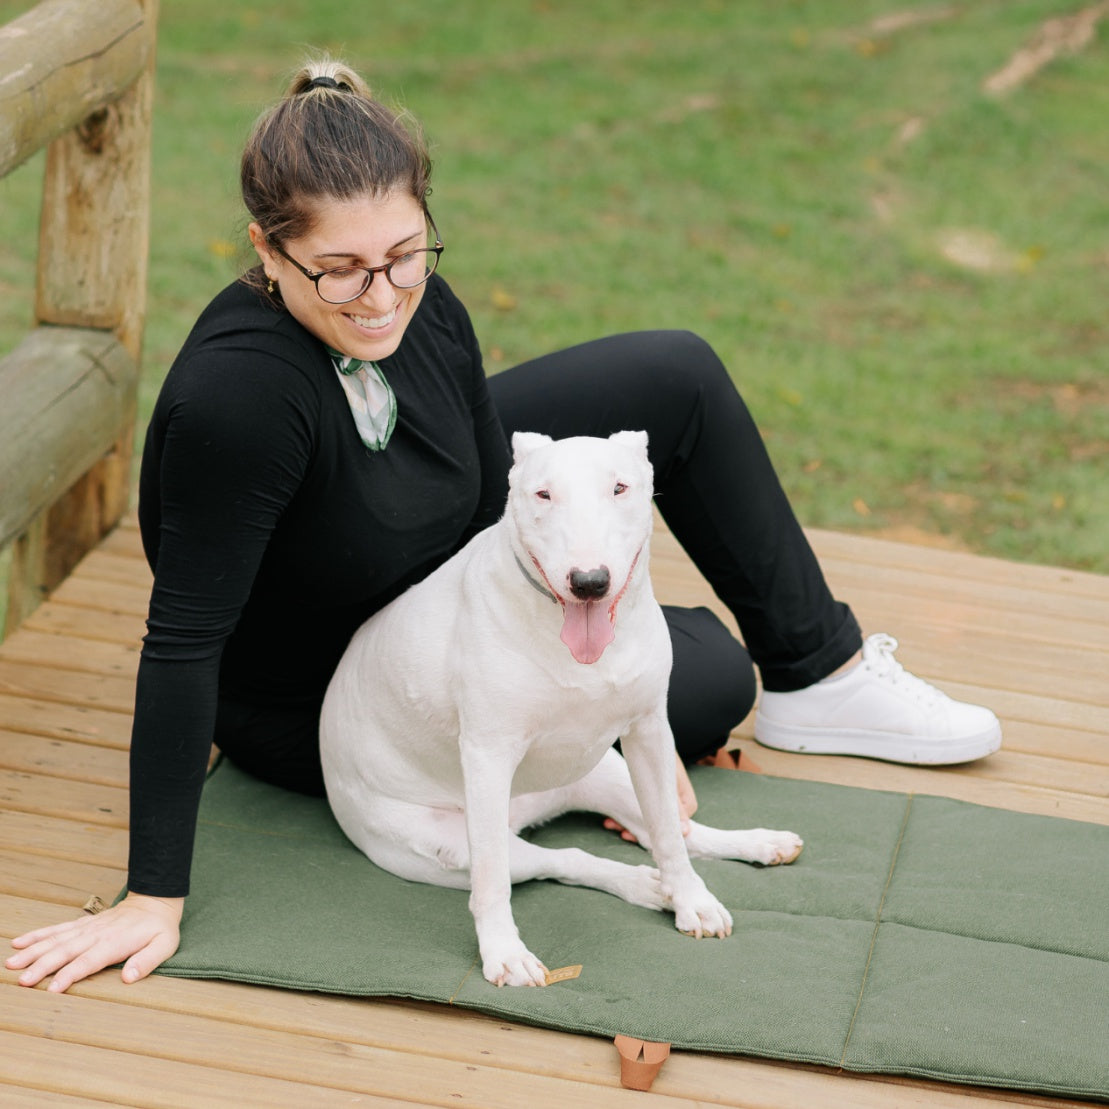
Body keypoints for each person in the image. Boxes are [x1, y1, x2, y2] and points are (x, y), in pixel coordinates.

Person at [7, 58, 1000, 995]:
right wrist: (152, 894)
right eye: (339, 268)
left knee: (675, 374)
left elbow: (490, 477)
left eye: (403, 253)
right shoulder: (242, 406)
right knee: (700, 674)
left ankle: (817, 676)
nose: (383, 293)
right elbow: (182, 644)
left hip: (442, 573)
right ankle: (677, 689)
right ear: (267, 251)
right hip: (348, 693)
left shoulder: (414, 301)